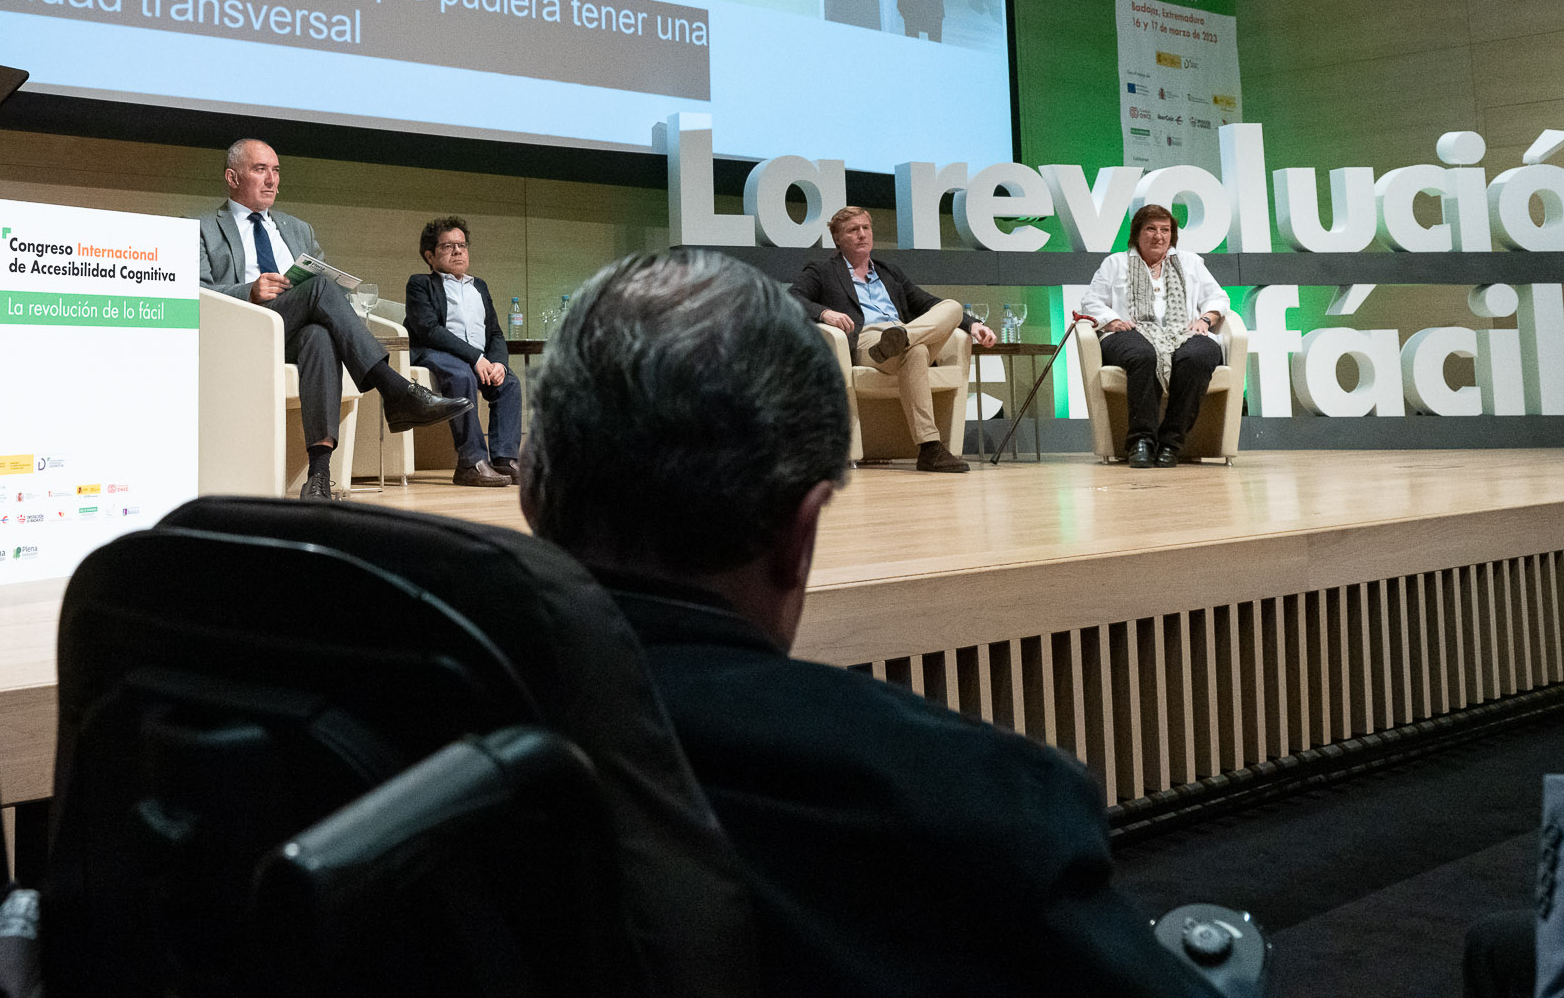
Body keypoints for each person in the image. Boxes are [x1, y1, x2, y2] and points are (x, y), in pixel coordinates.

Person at [519, 250, 1214, 997]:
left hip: (899, 342)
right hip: (860, 345)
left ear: (532, 483)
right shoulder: (970, 803)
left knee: (927, 326)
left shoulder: (419, 715)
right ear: (800, 531)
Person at [196, 139, 466, 499]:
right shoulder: (203, 228)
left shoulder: (298, 229)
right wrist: (249, 291)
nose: (272, 180)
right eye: (260, 170)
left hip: (292, 331)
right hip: (244, 329)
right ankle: (395, 390)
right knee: (319, 290)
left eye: (276, 171)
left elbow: (330, 294)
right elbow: (195, 293)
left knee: (318, 337)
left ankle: (319, 476)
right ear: (232, 177)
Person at [788, 205, 996, 474]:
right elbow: (791, 298)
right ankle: (930, 449)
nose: (862, 234)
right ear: (838, 239)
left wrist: (974, 324)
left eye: (866, 228)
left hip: (903, 335)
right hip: (868, 341)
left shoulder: (889, 273)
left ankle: (903, 338)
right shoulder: (822, 271)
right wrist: (825, 313)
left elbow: (928, 303)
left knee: (951, 309)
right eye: (853, 230)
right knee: (918, 352)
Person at [1080, 203, 1229, 469]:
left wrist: (1206, 319)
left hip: (1183, 331)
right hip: (1130, 331)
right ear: (1137, 233)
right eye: (1150, 229)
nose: (1158, 236)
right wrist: (1112, 320)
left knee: (1199, 356)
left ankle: (1171, 443)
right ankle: (1141, 442)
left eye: (1165, 229)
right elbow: (1091, 301)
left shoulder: (1190, 262)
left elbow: (1218, 297)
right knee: (1143, 354)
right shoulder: (1115, 263)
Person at [403, 216, 521, 487]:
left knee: (510, 383)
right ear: (430, 256)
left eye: (462, 245)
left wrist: (499, 362)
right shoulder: (420, 283)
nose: (458, 251)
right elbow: (429, 329)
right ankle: (471, 462)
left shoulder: (479, 286)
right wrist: (475, 358)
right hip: (433, 353)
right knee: (461, 375)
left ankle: (504, 459)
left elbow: (494, 333)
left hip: (476, 358)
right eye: (448, 246)